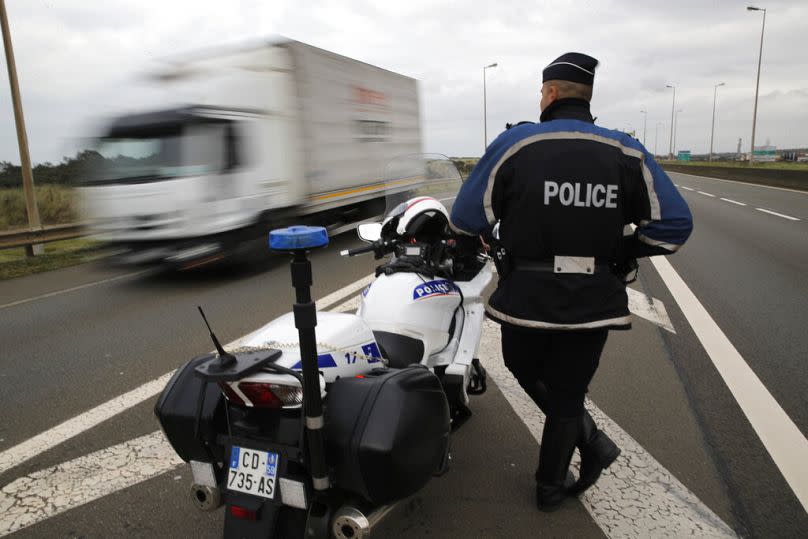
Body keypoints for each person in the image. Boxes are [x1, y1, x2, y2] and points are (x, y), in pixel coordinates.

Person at [450, 52, 693, 511]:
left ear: (551, 93)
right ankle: (554, 483)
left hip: (525, 297)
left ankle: (589, 445)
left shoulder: (517, 143)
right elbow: (673, 226)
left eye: (542, 91)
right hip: (595, 299)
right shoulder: (625, 149)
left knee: (521, 365)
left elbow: (465, 218)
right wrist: (623, 250)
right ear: (587, 96)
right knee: (568, 394)